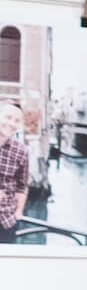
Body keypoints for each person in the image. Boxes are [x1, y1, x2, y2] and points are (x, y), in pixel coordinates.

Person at [0, 102, 28, 243]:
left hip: (6, 221)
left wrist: (18, 212)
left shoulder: (21, 150)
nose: (12, 123)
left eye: (17, 120)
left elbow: (22, 185)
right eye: (8, 117)